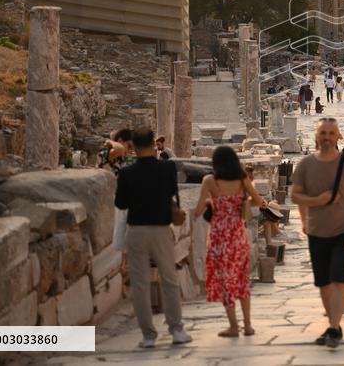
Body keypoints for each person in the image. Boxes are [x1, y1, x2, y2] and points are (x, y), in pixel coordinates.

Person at [291, 118, 344, 349]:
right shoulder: (305, 165)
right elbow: (295, 195)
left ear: (338, 137)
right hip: (317, 231)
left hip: (343, 230)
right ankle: (334, 324)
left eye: (331, 133)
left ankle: (334, 328)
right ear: (317, 136)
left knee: (340, 278)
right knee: (323, 282)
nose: (327, 137)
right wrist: (313, 205)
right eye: (323, 133)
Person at [114, 128, 192, 348]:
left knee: (139, 284)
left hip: (136, 230)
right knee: (169, 279)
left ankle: (148, 336)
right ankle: (176, 330)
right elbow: (172, 192)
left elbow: (120, 204)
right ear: (153, 144)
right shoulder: (167, 168)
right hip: (161, 229)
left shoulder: (127, 173)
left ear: (134, 146)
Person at [194, 146, 267, 337]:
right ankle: (248, 325)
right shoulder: (242, 179)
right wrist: (240, 203)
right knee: (241, 279)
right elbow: (258, 201)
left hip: (219, 238)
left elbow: (197, 210)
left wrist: (214, 203)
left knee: (225, 281)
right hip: (238, 235)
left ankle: (234, 326)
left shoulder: (210, 181)